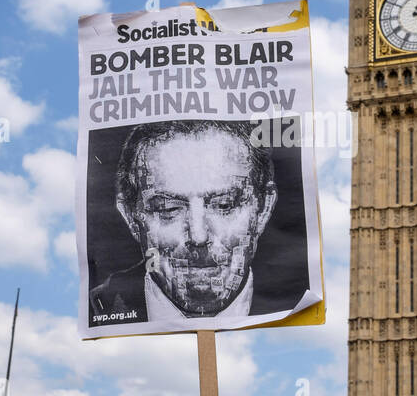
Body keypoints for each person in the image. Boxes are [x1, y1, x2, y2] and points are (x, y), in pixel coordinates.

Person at [90, 119, 284, 322]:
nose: (198, 236)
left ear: (263, 209)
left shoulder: (296, 306)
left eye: (224, 205)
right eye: (168, 208)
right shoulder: (95, 310)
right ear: (131, 216)